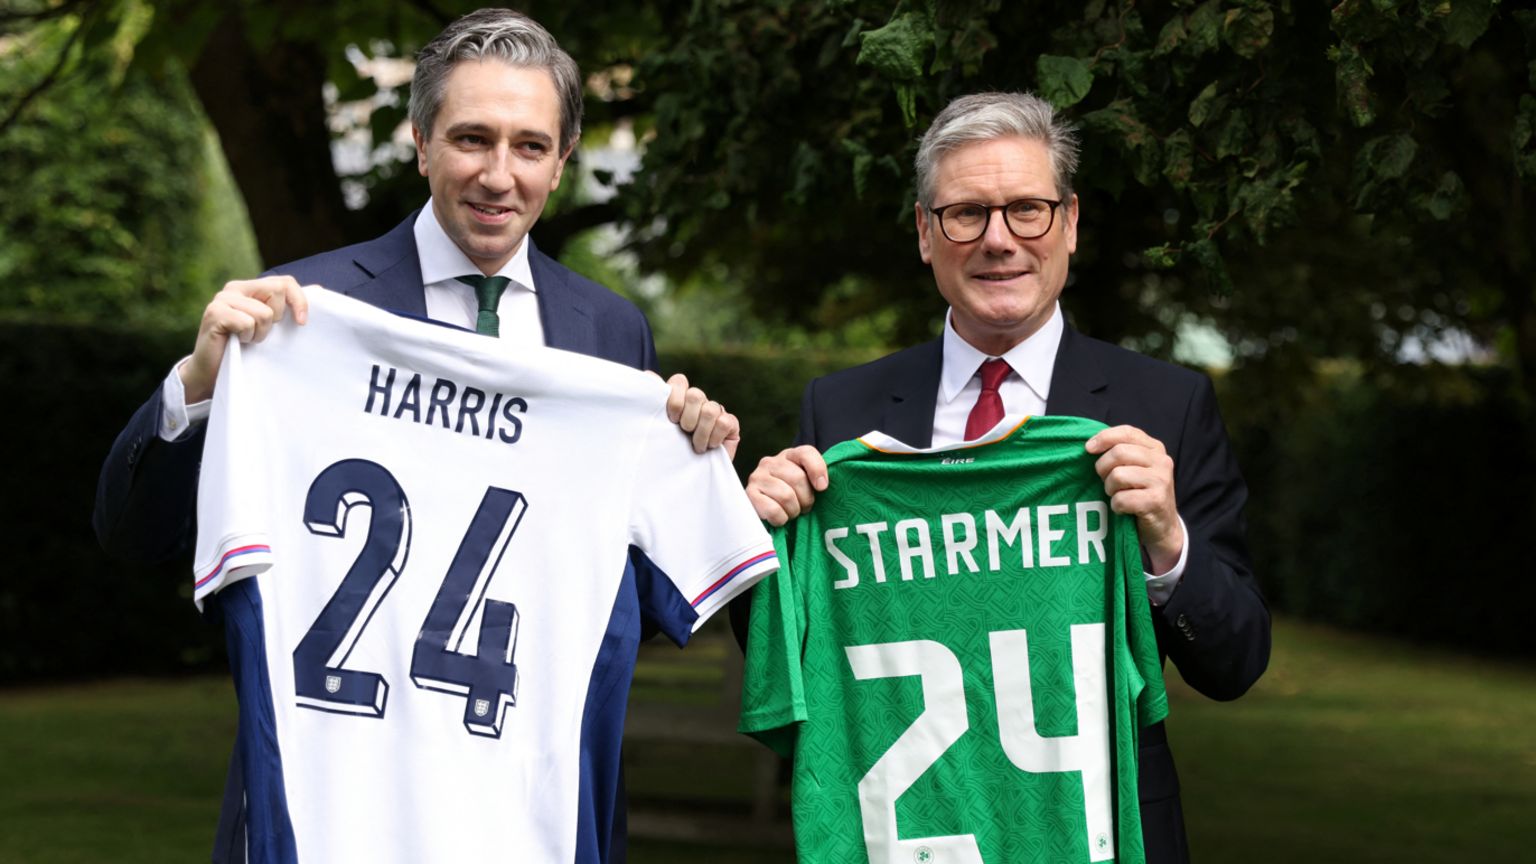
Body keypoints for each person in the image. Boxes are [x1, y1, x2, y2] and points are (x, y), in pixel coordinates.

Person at [93, 9, 733, 862]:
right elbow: (135, 532)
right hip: (331, 813)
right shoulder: (303, 312)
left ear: (564, 159)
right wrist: (200, 385)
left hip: (519, 820)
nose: (499, 175)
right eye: (471, 138)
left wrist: (711, 481)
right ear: (420, 140)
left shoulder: (611, 335)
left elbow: (598, 600)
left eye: (530, 146)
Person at [741, 91, 1271, 863]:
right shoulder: (843, 411)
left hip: (1103, 839)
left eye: (1028, 209)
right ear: (926, 233)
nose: (999, 240)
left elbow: (1236, 662)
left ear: (1071, 224)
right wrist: (765, 548)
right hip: (908, 838)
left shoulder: (1164, 405)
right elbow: (795, 653)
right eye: (966, 214)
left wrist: (1167, 541)